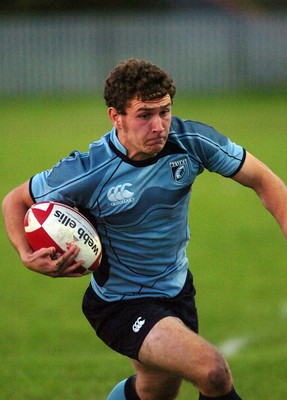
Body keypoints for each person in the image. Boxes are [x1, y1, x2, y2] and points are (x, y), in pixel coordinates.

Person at [2, 58, 287, 400]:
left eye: (164, 111)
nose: (159, 125)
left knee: (155, 391)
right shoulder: (88, 169)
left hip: (177, 290)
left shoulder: (190, 140)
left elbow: (265, 182)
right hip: (120, 303)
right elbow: (15, 201)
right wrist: (26, 255)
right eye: (144, 115)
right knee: (213, 372)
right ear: (115, 116)